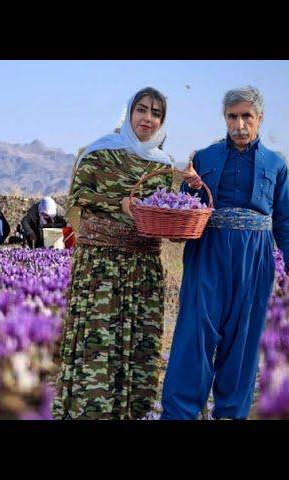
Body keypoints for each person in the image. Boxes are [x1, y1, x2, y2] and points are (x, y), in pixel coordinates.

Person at [161, 86, 289, 420]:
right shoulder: (204, 157)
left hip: (255, 258)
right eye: (233, 116)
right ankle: (179, 413)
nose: (240, 124)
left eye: (247, 116)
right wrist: (188, 186)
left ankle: (231, 413)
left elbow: (285, 222)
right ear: (224, 118)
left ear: (259, 118)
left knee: (243, 339)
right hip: (209, 252)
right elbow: (188, 207)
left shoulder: (277, 164)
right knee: (194, 332)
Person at [52, 87, 174, 419]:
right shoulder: (99, 153)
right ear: (129, 112)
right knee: (99, 342)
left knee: (138, 345)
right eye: (142, 110)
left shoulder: (164, 167)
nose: (148, 118)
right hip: (101, 269)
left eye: (156, 113)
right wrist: (116, 205)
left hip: (143, 268)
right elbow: (77, 200)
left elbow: (168, 211)